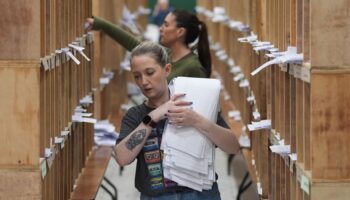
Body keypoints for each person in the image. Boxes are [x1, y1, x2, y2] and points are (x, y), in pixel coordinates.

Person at [115, 41, 240, 200]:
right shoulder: (136, 115)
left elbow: (233, 147)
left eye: (150, 72)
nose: (143, 82)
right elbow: (122, 158)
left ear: (167, 69)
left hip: (200, 194)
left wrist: (197, 120)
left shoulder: (195, 102)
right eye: (137, 76)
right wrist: (152, 117)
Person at [85, 9, 212, 81]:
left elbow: (207, 107)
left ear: (180, 32)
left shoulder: (194, 67)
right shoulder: (166, 54)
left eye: (166, 25)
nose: (161, 29)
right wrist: (100, 24)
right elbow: (134, 43)